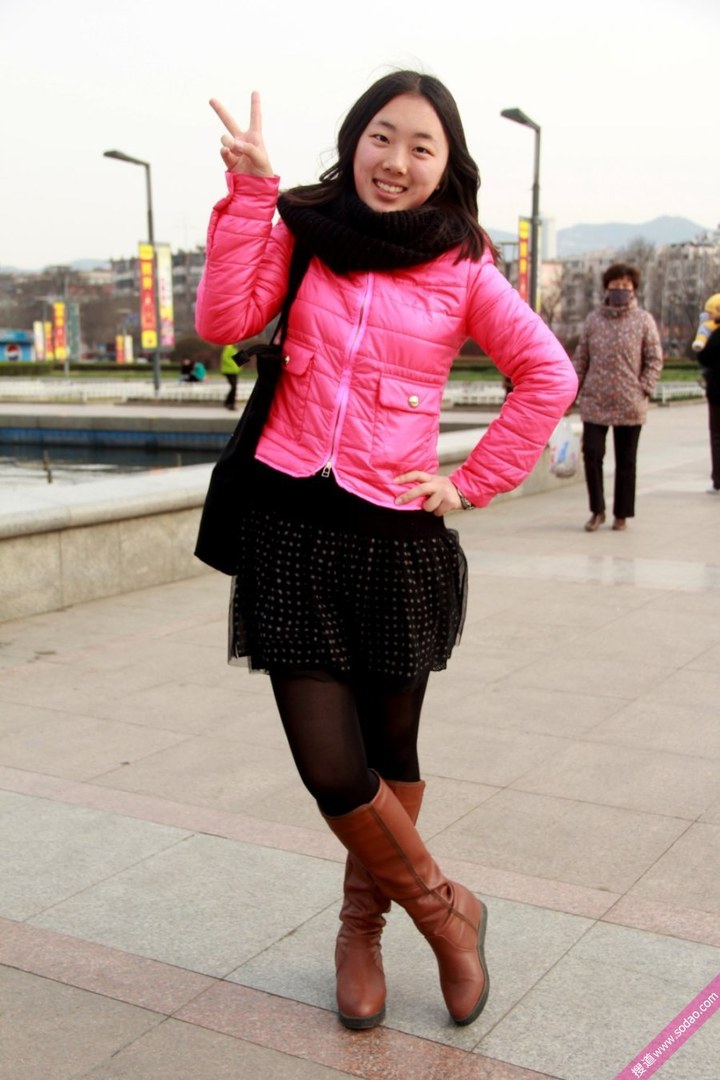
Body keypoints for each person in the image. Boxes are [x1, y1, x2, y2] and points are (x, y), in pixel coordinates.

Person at [195, 70, 577, 1032]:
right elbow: (223, 322)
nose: (395, 161)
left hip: (394, 541)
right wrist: (251, 191)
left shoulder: (462, 266)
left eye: (420, 146)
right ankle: (448, 914)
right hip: (288, 528)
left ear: (446, 165)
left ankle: (360, 929)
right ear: (353, 139)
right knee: (332, 767)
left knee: (391, 750)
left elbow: (547, 373)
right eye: (381, 136)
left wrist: (472, 480)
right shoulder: (301, 228)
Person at [572, 262, 663, 532]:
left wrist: (643, 388)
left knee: (626, 461)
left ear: (634, 289)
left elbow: (654, 359)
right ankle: (597, 510)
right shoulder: (593, 320)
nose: (620, 290)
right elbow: (581, 359)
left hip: (630, 402)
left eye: (626, 285)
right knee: (592, 454)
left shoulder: (643, 320)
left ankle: (621, 514)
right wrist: (571, 390)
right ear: (606, 288)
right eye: (616, 285)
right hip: (595, 400)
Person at [693, 294, 720, 493]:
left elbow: (704, 357)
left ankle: (718, 481)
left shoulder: (715, 335)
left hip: (718, 393)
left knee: (717, 436)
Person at [220, 343, 241, 409]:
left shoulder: (235, 348)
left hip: (234, 371)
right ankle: (231, 403)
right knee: (234, 387)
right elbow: (225, 357)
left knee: (234, 387)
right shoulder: (229, 347)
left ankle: (228, 402)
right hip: (229, 370)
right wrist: (233, 364)